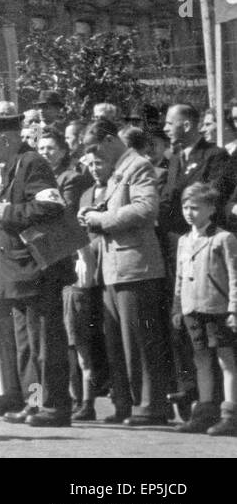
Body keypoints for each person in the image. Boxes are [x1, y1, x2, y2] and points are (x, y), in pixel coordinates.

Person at [0, 109, 73, 427]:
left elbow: (51, 205)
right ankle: (34, 404)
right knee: (27, 347)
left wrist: (9, 211)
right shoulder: (12, 167)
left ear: (6, 139)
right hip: (18, 272)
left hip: (36, 271)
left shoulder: (31, 162)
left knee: (44, 344)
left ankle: (55, 406)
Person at [78, 119, 171, 426]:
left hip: (137, 267)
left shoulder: (138, 165)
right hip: (112, 267)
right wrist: (91, 214)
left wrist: (101, 218)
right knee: (117, 342)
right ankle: (125, 403)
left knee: (141, 341)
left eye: (94, 149)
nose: (93, 157)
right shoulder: (120, 168)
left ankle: (151, 405)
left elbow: (146, 209)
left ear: (108, 139)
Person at [159, 102, 237, 419]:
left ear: (187, 125)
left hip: (207, 249)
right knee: (190, 335)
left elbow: (214, 195)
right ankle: (198, 398)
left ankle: (223, 406)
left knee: (218, 344)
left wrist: (185, 213)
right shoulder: (178, 158)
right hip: (181, 247)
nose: (165, 128)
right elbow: (167, 201)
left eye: (170, 122)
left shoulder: (214, 156)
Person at [36, 128, 102, 420]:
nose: (45, 152)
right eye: (41, 147)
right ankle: (65, 397)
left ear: (64, 151)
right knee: (56, 339)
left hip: (70, 261)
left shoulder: (70, 179)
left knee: (77, 338)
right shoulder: (40, 179)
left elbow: (63, 215)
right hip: (47, 263)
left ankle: (86, 401)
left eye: (51, 147)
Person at [172, 182, 237, 435]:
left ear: (211, 209)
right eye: (185, 207)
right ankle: (205, 411)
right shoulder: (184, 240)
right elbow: (179, 277)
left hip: (217, 307)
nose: (189, 213)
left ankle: (230, 414)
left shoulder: (224, 238)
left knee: (226, 359)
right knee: (201, 359)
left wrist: (234, 310)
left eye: (195, 208)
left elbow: (234, 277)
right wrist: (178, 307)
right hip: (192, 307)